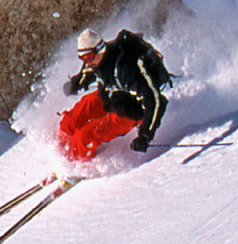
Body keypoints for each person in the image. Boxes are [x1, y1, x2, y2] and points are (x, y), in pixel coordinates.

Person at [58, 28, 170, 161]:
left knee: (84, 136)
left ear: (99, 50)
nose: (86, 62)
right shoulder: (94, 62)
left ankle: (78, 164)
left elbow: (155, 101)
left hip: (131, 110)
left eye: (88, 57)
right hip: (111, 97)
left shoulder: (126, 68)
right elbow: (86, 74)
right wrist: (74, 85)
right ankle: (61, 154)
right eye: (82, 58)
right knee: (69, 122)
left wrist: (145, 136)